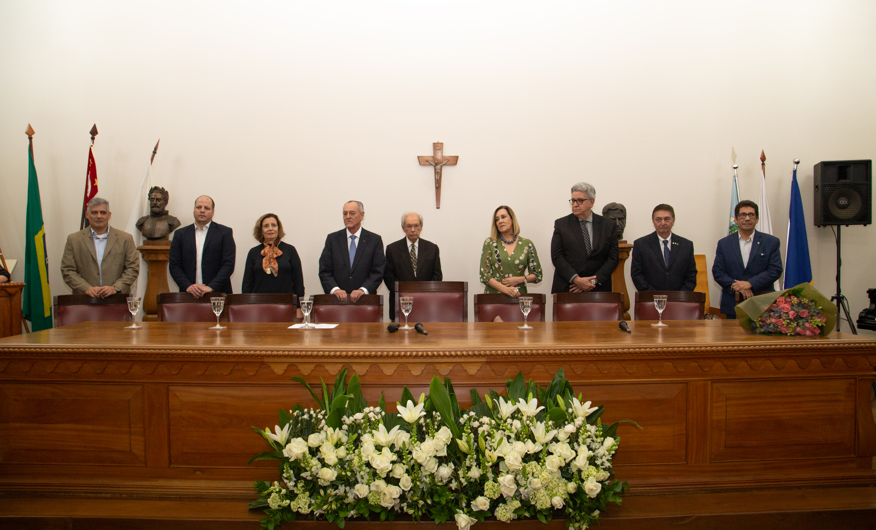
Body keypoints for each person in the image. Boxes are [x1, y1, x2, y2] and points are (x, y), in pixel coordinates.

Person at [712, 200, 783, 318]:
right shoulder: (724, 243)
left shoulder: (771, 242)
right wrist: (736, 286)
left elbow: (775, 270)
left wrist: (750, 283)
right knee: (732, 337)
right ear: (736, 219)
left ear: (757, 219)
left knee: (762, 337)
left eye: (751, 215)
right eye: (743, 215)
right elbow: (718, 272)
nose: (747, 218)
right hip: (732, 304)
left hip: (762, 303)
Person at [60, 197, 139, 298]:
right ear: (87, 215)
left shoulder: (125, 239)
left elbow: (132, 268)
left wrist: (115, 288)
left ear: (109, 215)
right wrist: (86, 288)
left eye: (103, 212)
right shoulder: (74, 239)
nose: (99, 216)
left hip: (116, 299)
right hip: (85, 300)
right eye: (94, 212)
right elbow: (67, 270)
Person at [550, 182, 619, 294]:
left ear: (591, 202)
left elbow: (613, 257)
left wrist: (592, 281)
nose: (575, 204)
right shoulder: (561, 224)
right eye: (573, 200)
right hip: (569, 288)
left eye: (580, 201)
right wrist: (576, 280)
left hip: (598, 288)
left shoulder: (608, 225)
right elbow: (557, 256)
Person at [318, 200, 386, 302]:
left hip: (365, 301)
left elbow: (378, 271)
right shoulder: (332, 239)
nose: (348, 216)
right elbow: (324, 270)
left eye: (352, 213)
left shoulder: (374, 240)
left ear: (362, 215)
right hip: (337, 301)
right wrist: (335, 289)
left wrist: (363, 290)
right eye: (345, 213)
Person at [169, 195, 236, 298]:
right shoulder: (180, 234)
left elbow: (228, 264)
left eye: (206, 208)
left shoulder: (224, 233)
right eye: (198, 207)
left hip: (217, 294)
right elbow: (174, 265)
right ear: (194, 210)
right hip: (188, 294)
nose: (202, 211)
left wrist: (211, 287)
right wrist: (188, 286)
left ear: (213, 212)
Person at [242, 213, 305, 317]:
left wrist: (299, 307)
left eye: (273, 225)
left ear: (278, 228)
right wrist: (246, 306)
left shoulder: (290, 250)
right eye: (266, 226)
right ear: (260, 230)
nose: (270, 229)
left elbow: (298, 281)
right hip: (258, 307)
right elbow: (247, 284)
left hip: (286, 306)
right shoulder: (253, 252)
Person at [384, 212, 443, 321]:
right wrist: (406, 295)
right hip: (400, 304)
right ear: (403, 228)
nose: (412, 229)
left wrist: (423, 295)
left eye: (416, 225)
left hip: (426, 305)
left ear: (421, 227)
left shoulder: (432, 248)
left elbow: (437, 277)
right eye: (409, 226)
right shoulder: (392, 249)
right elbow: (389, 278)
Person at [630, 204, 698, 292]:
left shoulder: (686, 245)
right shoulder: (641, 244)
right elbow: (636, 274)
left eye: (667, 219)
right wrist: (655, 296)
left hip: (679, 300)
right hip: (651, 299)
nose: (663, 223)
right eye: (658, 219)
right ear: (653, 221)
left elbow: (691, 275)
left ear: (673, 220)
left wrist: (680, 296)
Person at [479, 205, 543, 297]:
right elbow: (484, 276)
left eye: (503, 217)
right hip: (494, 299)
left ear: (512, 219)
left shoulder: (527, 244)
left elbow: (537, 275)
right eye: (497, 219)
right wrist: (506, 290)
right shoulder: (489, 243)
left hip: (519, 296)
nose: (500, 221)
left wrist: (520, 279)